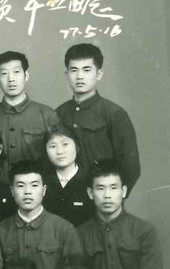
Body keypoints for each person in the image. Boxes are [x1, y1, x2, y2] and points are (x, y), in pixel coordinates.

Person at [0, 160, 82, 269]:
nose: (27, 192)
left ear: (44, 190)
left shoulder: (64, 230)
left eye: (34, 185)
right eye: (20, 186)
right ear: (12, 191)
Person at [55, 43, 140, 191]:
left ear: (99, 74)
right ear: (66, 75)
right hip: (65, 198)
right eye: (74, 70)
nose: (79, 76)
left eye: (87, 70)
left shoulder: (114, 114)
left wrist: (112, 198)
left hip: (100, 199)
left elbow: (130, 166)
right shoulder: (58, 114)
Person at [0, 51, 59, 172]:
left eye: (16, 72)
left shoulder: (48, 115)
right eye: (4, 74)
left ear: (26, 75)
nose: (11, 79)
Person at [42, 126, 95, 226]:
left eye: (65, 144)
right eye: (53, 146)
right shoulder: (41, 183)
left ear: (77, 146)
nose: (59, 152)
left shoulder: (91, 181)